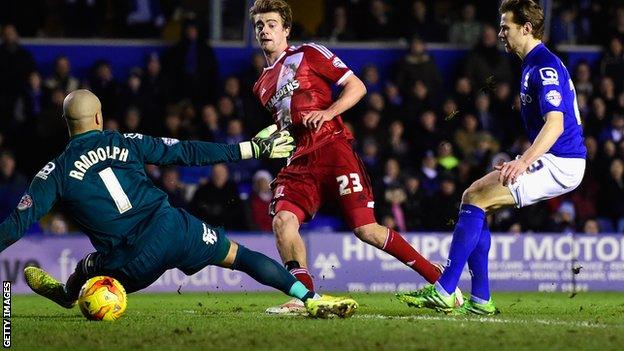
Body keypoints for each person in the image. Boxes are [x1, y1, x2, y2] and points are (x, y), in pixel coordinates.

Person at [0, 89, 357, 319]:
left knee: (86, 268)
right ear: (99, 119)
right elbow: (185, 151)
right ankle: (310, 298)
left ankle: (66, 294)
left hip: (127, 265)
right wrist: (249, 149)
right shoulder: (127, 141)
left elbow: (16, 225)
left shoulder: (53, 173)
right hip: (172, 229)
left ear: (67, 124)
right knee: (241, 256)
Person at [248, 0, 460, 315]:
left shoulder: (309, 54)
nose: (265, 30)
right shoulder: (261, 86)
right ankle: (305, 296)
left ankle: (439, 280)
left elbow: (356, 87)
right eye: (259, 25)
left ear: (286, 29)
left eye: (271, 24)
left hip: (333, 149)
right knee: (282, 220)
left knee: (366, 229)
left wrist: (327, 112)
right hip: (298, 162)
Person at [397, 0, 586, 315]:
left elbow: (556, 124)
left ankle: (445, 289)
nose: (500, 33)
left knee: (476, 198)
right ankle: (481, 299)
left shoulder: (545, 66)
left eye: (505, 26)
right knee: (474, 198)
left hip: (561, 162)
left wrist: (523, 161)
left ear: (526, 28)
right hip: (555, 158)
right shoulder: (531, 63)